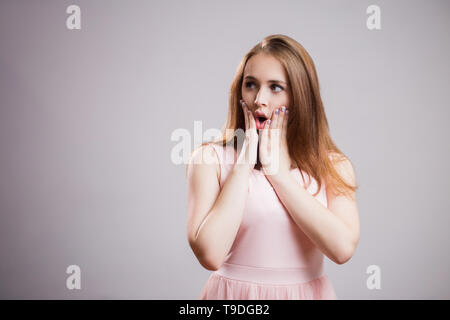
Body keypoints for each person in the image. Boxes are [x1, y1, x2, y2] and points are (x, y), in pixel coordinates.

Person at [185, 34, 360, 300]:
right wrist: (244, 162)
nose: (259, 99)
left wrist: (278, 174)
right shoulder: (209, 159)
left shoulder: (333, 166)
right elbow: (210, 254)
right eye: (251, 84)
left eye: (276, 87)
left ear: (300, 96)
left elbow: (342, 249)